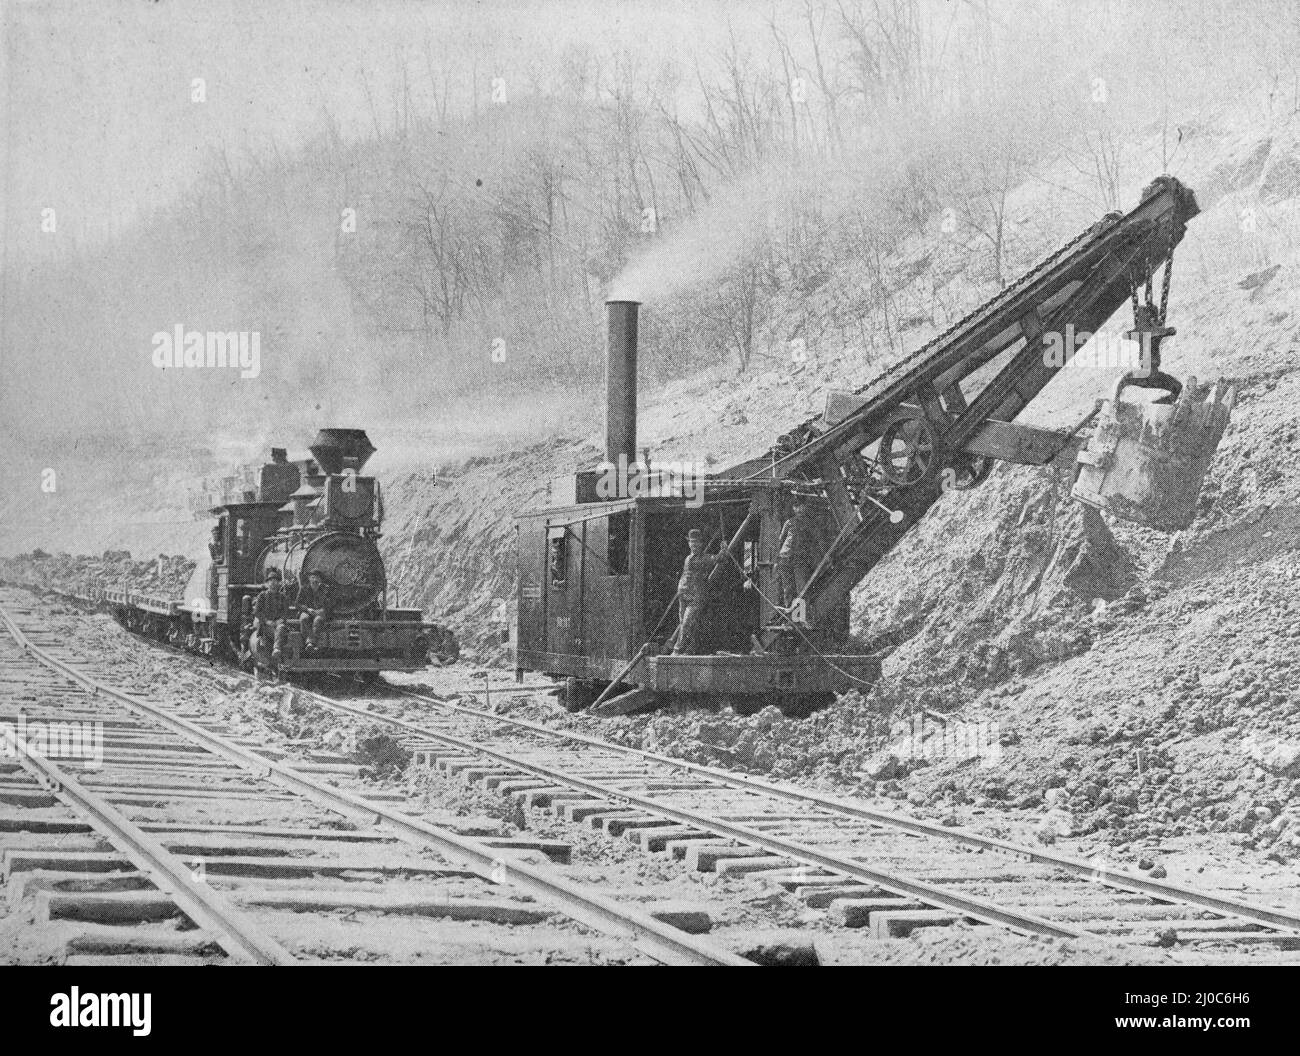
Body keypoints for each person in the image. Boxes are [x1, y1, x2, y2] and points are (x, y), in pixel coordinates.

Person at [672, 529, 723, 655]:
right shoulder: (687, 558)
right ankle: (690, 650)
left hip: (696, 597)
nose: (694, 545)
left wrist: (723, 550)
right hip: (683, 594)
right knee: (686, 624)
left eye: (697, 543)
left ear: (701, 544)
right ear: (689, 544)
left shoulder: (704, 558)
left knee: (687, 623)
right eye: (692, 542)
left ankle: (677, 650)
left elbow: (718, 558)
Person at [777, 500, 822, 610]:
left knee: (801, 588)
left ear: (805, 507)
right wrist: (776, 559)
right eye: (796, 507)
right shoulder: (789, 522)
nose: (799, 509)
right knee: (788, 588)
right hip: (785, 558)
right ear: (793, 508)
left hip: (799, 559)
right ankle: (790, 614)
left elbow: (818, 539)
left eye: (802, 506)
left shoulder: (809, 523)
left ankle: (801, 616)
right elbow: (780, 539)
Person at [253, 568, 289, 664]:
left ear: (278, 583)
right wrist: (266, 621)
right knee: (273, 632)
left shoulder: (283, 597)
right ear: (268, 583)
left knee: (281, 628)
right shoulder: (262, 596)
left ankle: (276, 649)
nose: (273, 583)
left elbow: (286, 612)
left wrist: (280, 620)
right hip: (266, 625)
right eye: (271, 581)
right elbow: (256, 612)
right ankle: (271, 659)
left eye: (275, 581)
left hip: (278, 624)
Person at [296, 571, 332, 650]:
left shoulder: (325, 590)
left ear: (320, 580)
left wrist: (322, 610)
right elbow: (297, 604)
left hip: (319, 613)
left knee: (318, 620)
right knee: (304, 618)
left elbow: (329, 604)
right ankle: (309, 641)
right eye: (312, 577)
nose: (315, 580)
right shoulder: (304, 589)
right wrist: (307, 609)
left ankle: (312, 643)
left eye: (317, 578)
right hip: (307, 612)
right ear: (309, 579)